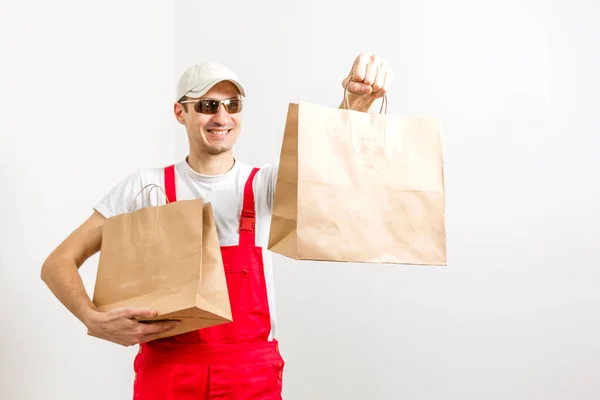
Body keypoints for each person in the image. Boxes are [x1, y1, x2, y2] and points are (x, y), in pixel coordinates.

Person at [40, 53, 394, 399]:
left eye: (232, 104)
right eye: (208, 105)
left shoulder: (264, 184)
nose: (222, 117)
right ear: (181, 112)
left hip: (251, 374)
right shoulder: (145, 188)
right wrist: (91, 317)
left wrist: (355, 104)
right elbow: (57, 262)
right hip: (168, 374)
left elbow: (323, 161)